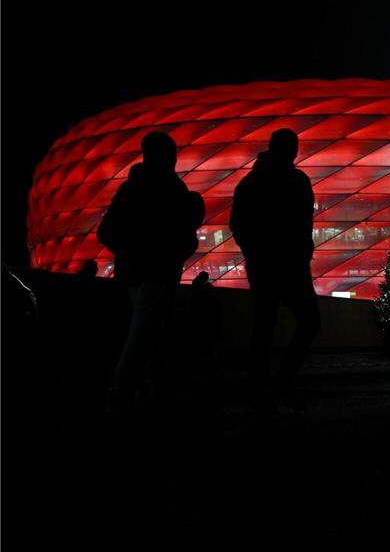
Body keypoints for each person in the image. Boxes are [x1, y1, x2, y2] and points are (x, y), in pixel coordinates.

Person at [97, 131, 205, 412]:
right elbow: (184, 234)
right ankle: (120, 395)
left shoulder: (129, 189)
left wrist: (128, 252)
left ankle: (151, 394)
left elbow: (106, 232)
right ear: (168, 156)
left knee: (151, 334)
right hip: (159, 273)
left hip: (131, 273)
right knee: (143, 336)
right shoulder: (172, 189)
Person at [230, 129, 320, 410]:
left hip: (262, 265)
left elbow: (237, 224)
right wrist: (304, 252)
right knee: (310, 322)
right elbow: (305, 222)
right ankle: (283, 379)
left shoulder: (250, 182)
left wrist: (254, 254)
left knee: (263, 328)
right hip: (292, 264)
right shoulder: (297, 180)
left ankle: (257, 389)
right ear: (293, 150)